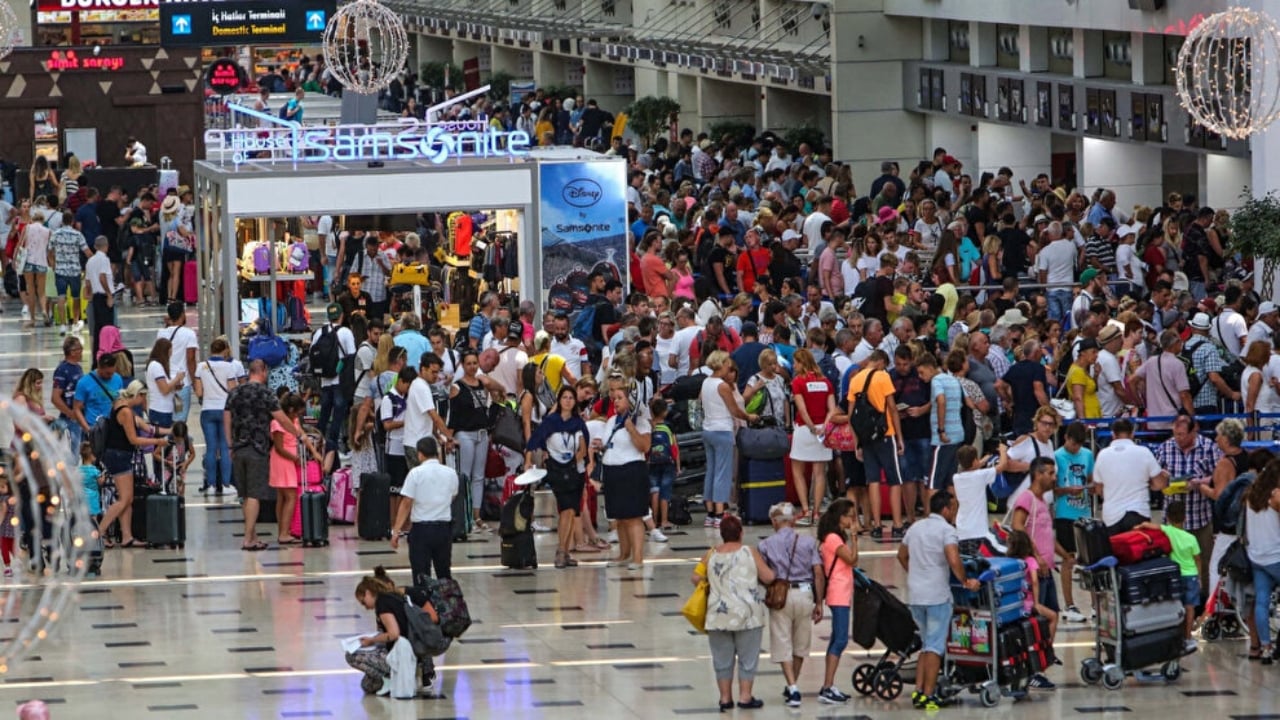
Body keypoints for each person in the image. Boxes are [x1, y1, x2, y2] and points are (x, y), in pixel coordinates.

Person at [898, 491, 981, 710]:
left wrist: (916, 573)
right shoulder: (947, 531)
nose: (955, 512)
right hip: (936, 596)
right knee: (935, 647)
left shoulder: (914, 528)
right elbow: (954, 559)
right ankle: (929, 694)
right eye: (953, 508)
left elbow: (901, 555)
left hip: (915, 595)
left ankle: (918, 691)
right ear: (945, 509)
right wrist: (965, 580)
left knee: (926, 644)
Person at [692, 513, 776, 711]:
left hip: (718, 614)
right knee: (748, 657)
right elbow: (769, 576)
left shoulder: (711, 554)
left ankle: (725, 698)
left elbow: (695, 578)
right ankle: (745, 697)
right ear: (741, 532)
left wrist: (714, 585)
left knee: (722, 658)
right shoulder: (749, 551)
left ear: (721, 534)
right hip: (748, 614)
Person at [226, 359, 304, 551]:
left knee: (244, 495)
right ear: (262, 371)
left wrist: (230, 445)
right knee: (254, 494)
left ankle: (252, 535)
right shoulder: (266, 393)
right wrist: (297, 433)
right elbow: (281, 418)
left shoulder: (235, 392)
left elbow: (226, 418)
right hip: (257, 449)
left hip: (238, 448)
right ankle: (248, 539)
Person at [757, 502, 825, 707]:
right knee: (801, 643)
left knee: (782, 640)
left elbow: (764, 575)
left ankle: (793, 687)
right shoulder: (808, 542)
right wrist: (819, 602)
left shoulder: (765, 545)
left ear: (774, 522)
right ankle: (792, 685)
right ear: (793, 520)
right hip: (805, 594)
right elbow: (819, 573)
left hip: (781, 597)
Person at [95, 380, 171, 549]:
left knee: (126, 499)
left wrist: (169, 431)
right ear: (140, 395)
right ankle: (99, 533)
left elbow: (147, 427)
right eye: (145, 398)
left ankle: (127, 536)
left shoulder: (120, 405)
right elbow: (134, 439)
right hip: (119, 455)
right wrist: (158, 441)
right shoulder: (126, 412)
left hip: (117, 454)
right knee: (124, 499)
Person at [525, 386, 590, 568]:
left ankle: (566, 552)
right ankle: (561, 550)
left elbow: (584, 448)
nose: (568, 400)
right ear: (559, 400)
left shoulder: (578, 423)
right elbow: (534, 440)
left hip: (575, 471)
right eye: (565, 397)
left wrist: (576, 462)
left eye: (571, 397)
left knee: (572, 511)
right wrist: (528, 460)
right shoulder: (550, 422)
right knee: (566, 509)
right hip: (557, 471)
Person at [347, 566, 437, 698]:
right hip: (411, 651)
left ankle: (389, 676)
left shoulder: (382, 604)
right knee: (367, 685)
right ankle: (390, 678)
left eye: (363, 601)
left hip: (401, 655)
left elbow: (393, 634)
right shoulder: (394, 598)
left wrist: (372, 640)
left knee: (350, 656)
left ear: (367, 592)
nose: (364, 606)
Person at [1009, 456, 1060, 690]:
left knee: (1052, 617)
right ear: (1038, 474)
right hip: (1035, 573)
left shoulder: (1043, 500)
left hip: (1048, 570)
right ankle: (1034, 668)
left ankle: (1040, 663)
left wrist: (1064, 555)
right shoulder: (1026, 498)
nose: (1053, 477)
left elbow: (1047, 533)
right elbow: (1017, 527)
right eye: (1049, 473)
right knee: (1039, 620)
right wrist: (1036, 556)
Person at [848, 350, 906, 539]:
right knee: (894, 481)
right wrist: (899, 438)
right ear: (881, 362)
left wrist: (857, 443)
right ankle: (897, 524)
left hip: (865, 437)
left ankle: (877, 524)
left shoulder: (855, 379)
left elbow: (852, 417)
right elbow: (892, 409)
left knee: (872, 480)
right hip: (885, 434)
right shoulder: (883, 376)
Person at [596, 386, 651, 570]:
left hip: (632, 470)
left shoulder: (640, 421)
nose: (616, 401)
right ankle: (623, 554)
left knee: (633, 516)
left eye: (620, 397)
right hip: (612, 470)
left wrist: (630, 428)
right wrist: (600, 446)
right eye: (615, 398)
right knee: (618, 516)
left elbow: (644, 446)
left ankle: (637, 558)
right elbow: (608, 443)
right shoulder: (611, 421)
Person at [391, 438, 459, 583]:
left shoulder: (415, 473)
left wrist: (396, 531)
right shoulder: (451, 473)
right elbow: (453, 495)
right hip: (444, 529)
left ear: (420, 454)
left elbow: (406, 503)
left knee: (421, 575)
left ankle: (424, 604)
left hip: (421, 530)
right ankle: (447, 603)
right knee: (444, 573)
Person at [701, 351, 757, 525]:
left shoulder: (705, 382)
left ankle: (710, 512)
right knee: (723, 472)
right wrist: (749, 417)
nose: (729, 367)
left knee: (711, 470)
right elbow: (734, 410)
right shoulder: (722, 386)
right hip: (722, 430)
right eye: (726, 363)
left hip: (708, 428)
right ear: (720, 364)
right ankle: (720, 513)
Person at [1139, 500, 1200, 654]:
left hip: (1175, 575)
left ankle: (1176, 636)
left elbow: (1151, 526)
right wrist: (1198, 577)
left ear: (1168, 517)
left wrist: (1140, 526)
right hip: (1191, 575)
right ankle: (1188, 637)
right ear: (1185, 518)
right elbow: (1198, 558)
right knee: (1190, 607)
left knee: (1176, 605)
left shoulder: (1168, 532)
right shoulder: (1191, 538)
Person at [815, 498, 858, 705]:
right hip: (838, 592)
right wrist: (855, 539)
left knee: (836, 639)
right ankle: (827, 685)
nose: (853, 520)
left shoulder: (832, 537)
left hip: (841, 591)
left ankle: (829, 684)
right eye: (851, 516)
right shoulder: (833, 538)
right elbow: (851, 559)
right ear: (841, 517)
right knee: (840, 639)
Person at [1093, 417, 1169, 534]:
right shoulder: (1144, 452)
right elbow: (1160, 484)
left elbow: (1098, 489)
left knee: (1115, 551)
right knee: (1138, 550)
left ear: (1113, 434)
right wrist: (1152, 483)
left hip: (1112, 515)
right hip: (1138, 512)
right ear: (1132, 433)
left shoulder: (1102, 455)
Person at [787, 349, 835, 527]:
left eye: (796, 362)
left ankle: (806, 510)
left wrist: (811, 427)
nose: (794, 366)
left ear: (802, 362)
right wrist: (824, 426)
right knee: (820, 473)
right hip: (823, 431)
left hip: (805, 429)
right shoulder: (825, 382)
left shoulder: (798, 382)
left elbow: (802, 409)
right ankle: (816, 513)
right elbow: (832, 408)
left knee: (798, 471)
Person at [1053, 422, 1094, 624]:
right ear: (1066, 438)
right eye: (1073, 443)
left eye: (1078, 445)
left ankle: (1095, 604)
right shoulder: (1057, 457)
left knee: (1090, 560)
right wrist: (1068, 491)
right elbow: (1052, 488)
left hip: (1084, 511)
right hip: (1064, 513)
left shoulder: (1087, 455)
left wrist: (1091, 487)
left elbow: (1091, 479)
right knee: (1068, 559)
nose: (1075, 448)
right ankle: (1069, 604)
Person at [1244, 460, 1280, 663]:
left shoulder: (1250, 496)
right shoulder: (1276, 496)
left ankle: (1265, 646)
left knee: (1262, 602)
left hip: (1256, 556)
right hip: (1276, 556)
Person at [270, 393, 318, 545]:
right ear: (290, 409)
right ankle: (284, 533)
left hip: (287, 461)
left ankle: (283, 530)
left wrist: (314, 451)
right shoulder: (277, 423)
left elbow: (302, 435)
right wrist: (295, 459)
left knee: (282, 497)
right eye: (298, 412)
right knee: (291, 496)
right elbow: (278, 448)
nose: (300, 415)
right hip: (283, 461)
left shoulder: (293, 420)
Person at [194, 337, 240, 495]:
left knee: (211, 448)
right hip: (225, 410)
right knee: (226, 447)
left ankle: (211, 483)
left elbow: (199, 392)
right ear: (225, 350)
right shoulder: (229, 367)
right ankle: (227, 484)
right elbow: (234, 392)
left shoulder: (201, 367)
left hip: (207, 410)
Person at [313, 303, 358, 453]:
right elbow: (352, 357)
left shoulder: (319, 332)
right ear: (341, 316)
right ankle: (334, 449)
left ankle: (318, 446)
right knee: (338, 417)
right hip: (340, 381)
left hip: (325, 380)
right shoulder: (346, 332)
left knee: (324, 416)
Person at [952, 443, 1009, 556]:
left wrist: (984, 459)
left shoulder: (956, 478)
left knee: (967, 562)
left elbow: (972, 468)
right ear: (974, 461)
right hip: (978, 531)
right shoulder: (981, 476)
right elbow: (1003, 465)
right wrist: (1003, 451)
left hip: (962, 530)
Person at [158, 302, 198, 424]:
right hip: (182, 383)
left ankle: (169, 442)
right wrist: (195, 383)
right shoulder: (189, 334)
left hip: (165, 382)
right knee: (180, 423)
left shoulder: (161, 333)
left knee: (168, 420)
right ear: (182, 314)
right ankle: (179, 443)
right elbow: (190, 359)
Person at [85, 235, 117, 361]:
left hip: (95, 298)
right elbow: (102, 277)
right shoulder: (104, 259)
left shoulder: (90, 261)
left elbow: (88, 283)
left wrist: (90, 295)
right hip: (104, 297)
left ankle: (96, 358)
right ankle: (107, 356)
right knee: (108, 329)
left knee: (97, 331)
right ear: (106, 246)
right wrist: (109, 294)